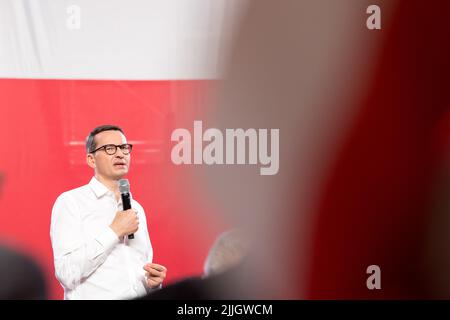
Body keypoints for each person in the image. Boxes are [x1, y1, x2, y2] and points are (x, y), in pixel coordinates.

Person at [50, 124, 167, 300]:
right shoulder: (71, 202)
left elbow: (135, 270)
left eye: (124, 148)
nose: (120, 154)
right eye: (109, 149)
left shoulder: (136, 209)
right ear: (91, 159)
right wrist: (114, 231)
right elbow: (67, 273)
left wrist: (152, 285)